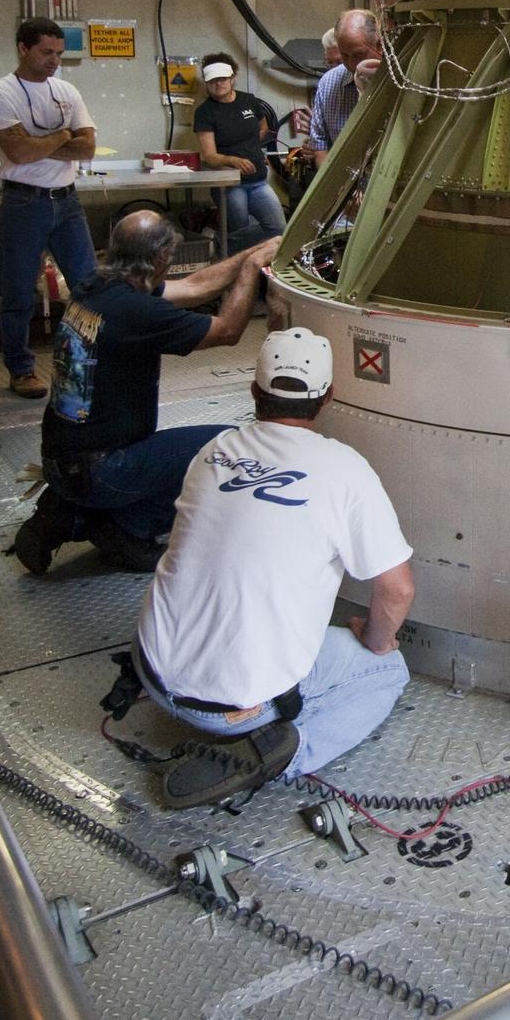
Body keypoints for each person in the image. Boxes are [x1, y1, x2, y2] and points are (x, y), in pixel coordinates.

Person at [134, 327, 414, 807]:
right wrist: (376, 641)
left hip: (152, 670)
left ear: (253, 390)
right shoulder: (344, 468)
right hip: (229, 710)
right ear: (329, 397)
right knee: (388, 671)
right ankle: (280, 754)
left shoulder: (214, 451)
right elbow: (398, 589)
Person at [12, 212, 280, 576]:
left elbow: (195, 286)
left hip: (63, 462)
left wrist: (257, 251)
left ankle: (67, 512)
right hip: (104, 468)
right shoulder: (137, 312)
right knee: (232, 448)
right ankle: (127, 528)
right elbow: (228, 330)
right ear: (159, 258)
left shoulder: (96, 285)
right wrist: (250, 270)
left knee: (161, 453)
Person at [0, 16, 98, 398]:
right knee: (18, 292)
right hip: (24, 201)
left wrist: (39, 142)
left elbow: (87, 148)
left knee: (88, 286)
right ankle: (21, 370)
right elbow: (18, 152)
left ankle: (89, 359)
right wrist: (63, 134)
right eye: (46, 52)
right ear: (23, 48)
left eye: (59, 54)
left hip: (67, 201)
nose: (54, 61)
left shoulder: (66, 91)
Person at [194, 53, 286, 244]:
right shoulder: (205, 112)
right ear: (206, 83)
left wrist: (251, 149)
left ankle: (223, 243)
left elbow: (263, 128)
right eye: (213, 80)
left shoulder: (248, 100)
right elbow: (209, 156)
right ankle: (227, 248)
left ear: (232, 78)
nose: (219, 83)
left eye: (223, 78)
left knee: (278, 228)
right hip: (230, 184)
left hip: (258, 180)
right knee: (242, 228)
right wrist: (232, 160)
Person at [309, 10, 383, 168]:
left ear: (379, 45)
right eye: (344, 55)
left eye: (358, 54)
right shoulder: (328, 84)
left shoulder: (402, 80)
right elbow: (320, 148)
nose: (351, 64)